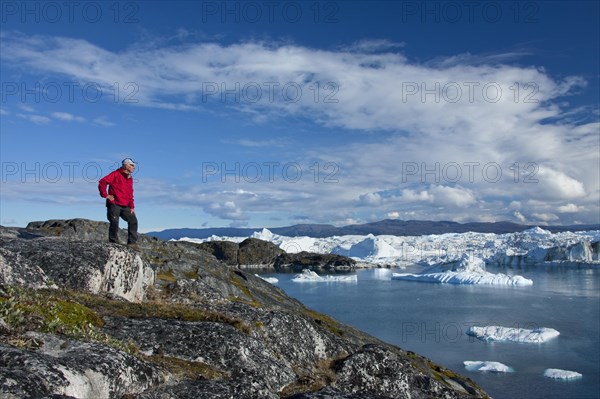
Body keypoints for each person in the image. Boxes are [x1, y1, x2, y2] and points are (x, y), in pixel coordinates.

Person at [98, 158, 140, 251]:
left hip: (126, 205)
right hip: (114, 204)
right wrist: (105, 195)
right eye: (132, 165)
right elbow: (102, 182)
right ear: (126, 165)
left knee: (133, 221)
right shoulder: (115, 174)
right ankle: (113, 243)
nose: (134, 167)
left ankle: (132, 243)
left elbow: (130, 192)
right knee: (114, 222)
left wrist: (132, 206)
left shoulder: (130, 178)